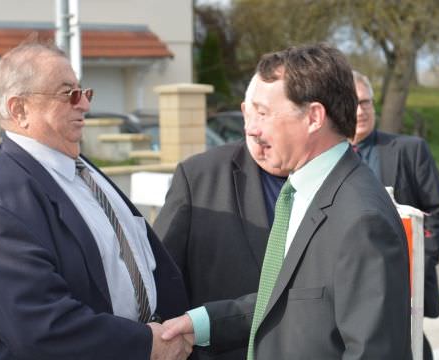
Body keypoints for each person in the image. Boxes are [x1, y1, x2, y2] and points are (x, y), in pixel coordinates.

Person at [160, 43, 413, 359]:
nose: (251, 129)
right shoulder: (305, 193)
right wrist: (202, 323)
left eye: (263, 113)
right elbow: (290, 301)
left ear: (313, 117)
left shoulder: (362, 219)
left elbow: (374, 352)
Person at [0, 40, 191, 360]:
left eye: (84, 92)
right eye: (68, 93)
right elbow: (41, 326)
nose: (84, 104)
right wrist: (146, 344)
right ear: (19, 109)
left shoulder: (79, 167)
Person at [153, 73, 288, 360]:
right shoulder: (198, 177)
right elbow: (161, 278)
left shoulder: (331, 184)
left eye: (268, 115)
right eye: (253, 113)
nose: (255, 129)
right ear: (243, 111)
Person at [351, 70, 439, 360]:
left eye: (366, 102)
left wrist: (416, 265)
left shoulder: (410, 150)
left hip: (404, 287)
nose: (360, 111)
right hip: (354, 285)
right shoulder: (327, 157)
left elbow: (438, 214)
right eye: (353, 103)